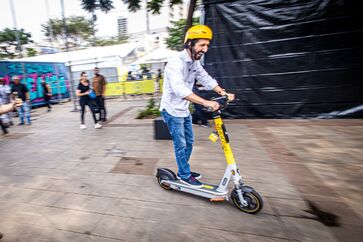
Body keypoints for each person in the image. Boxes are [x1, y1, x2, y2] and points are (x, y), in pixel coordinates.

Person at [159, 25, 235, 188]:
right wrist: (206, 102)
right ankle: (185, 175)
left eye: (207, 45)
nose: (205, 49)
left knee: (190, 142)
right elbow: (179, 90)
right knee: (181, 144)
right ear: (190, 44)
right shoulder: (175, 63)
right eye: (202, 45)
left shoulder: (194, 63)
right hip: (171, 110)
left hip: (183, 109)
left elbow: (206, 79)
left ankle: (182, 170)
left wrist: (223, 92)